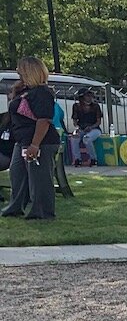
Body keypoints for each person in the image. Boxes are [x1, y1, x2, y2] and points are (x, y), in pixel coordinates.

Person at [1, 57, 61, 220]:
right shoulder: (24, 91)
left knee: (39, 177)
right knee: (16, 172)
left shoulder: (42, 93)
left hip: (41, 141)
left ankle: (42, 212)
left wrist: (35, 144)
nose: (18, 71)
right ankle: (15, 206)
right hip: (21, 141)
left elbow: (44, 120)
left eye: (21, 69)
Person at [72, 90, 104, 166]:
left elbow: (98, 122)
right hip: (81, 128)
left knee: (87, 138)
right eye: (87, 96)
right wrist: (77, 128)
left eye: (91, 96)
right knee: (74, 139)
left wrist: (91, 127)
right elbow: (75, 121)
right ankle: (77, 159)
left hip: (94, 129)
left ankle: (93, 159)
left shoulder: (95, 106)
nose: (89, 98)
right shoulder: (76, 106)